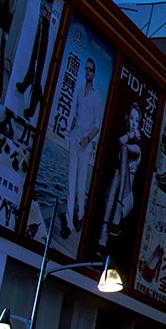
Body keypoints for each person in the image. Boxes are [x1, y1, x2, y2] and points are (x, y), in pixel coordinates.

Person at [62, 57, 103, 238]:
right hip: (74, 138)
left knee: (80, 184)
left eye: (90, 70)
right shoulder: (79, 91)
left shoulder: (97, 97)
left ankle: (79, 216)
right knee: (71, 182)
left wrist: (88, 139)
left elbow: (97, 124)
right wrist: (71, 130)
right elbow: (76, 113)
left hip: (85, 144)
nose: (87, 72)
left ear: (94, 73)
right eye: (85, 69)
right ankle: (69, 224)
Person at [98, 103, 143, 249]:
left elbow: (123, 144)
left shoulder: (137, 149)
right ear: (127, 120)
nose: (134, 123)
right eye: (131, 118)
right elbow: (120, 141)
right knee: (117, 172)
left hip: (126, 199)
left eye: (137, 121)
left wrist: (130, 136)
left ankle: (110, 220)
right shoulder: (125, 140)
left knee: (120, 164)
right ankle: (105, 228)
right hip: (115, 193)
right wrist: (129, 135)